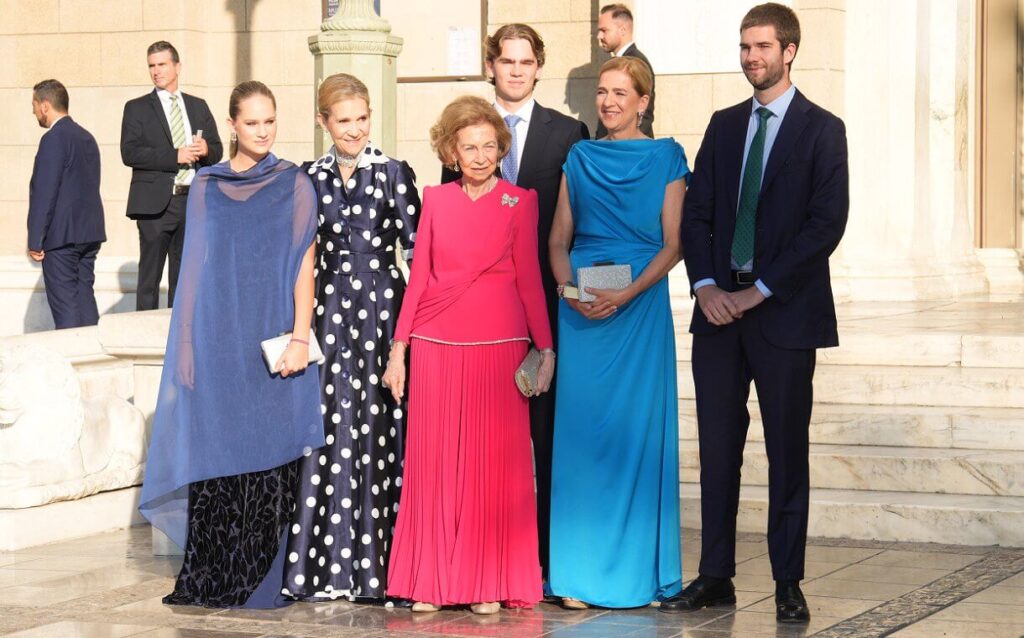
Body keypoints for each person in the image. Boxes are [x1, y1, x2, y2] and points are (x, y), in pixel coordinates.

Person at [664, 3, 849, 624]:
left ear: (789, 50)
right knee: (718, 449)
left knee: (785, 452)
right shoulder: (721, 125)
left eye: (762, 47)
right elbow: (697, 214)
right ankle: (715, 574)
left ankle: (788, 580)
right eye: (744, 47)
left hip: (785, 315)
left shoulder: (823, 130)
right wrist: (708, 286)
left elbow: (826, 226)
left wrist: (760, 290)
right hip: (718, 314)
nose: (751, 58)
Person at [138, 81, 323, 609]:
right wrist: (189, 346)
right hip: (218, 336)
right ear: (232, 125)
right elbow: (192, 268)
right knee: (217, 455)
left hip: (272, 337)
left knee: (267, 457)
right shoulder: (206, 185)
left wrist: (299, 335)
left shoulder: (295, 183)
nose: (263, 131)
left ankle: (259, 577)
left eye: (270, 121)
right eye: (252, 122)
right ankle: (212, 575)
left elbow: (303, 267)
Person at [383, 95, 556, 615]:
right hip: (435, 347)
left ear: (501, 149)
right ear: (451, 152)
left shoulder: (521, 201)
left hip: (500, 350)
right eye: (468, 147)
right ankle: (430, 581)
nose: (480, 156)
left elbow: (530, 279)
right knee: (433, 469)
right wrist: (399, 349)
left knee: (493, 471)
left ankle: (486, 581)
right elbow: (419, 281)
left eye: (488, 146)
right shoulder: (434, 199)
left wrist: (545, 348)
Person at [441, 23, 589, 579]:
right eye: (507, 61)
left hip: (545, 305)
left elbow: (580, 222)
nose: (517, 70)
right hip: (477, 314)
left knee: (546, 436)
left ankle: (546, 562)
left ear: (539, 67)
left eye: (526, 61)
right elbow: (453, 219)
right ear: (491, 66)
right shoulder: (463, 131)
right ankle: (483, 555)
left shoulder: (569, 132)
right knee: (482, 440)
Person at [546, 56, 688, 609]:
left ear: (643, 100)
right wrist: (568, 291)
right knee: (582, 442)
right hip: (583, 315)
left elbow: (674, 243)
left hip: (638, 311)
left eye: (621, 92)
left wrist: (627, 293)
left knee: (636, 438)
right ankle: (578, 575)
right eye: (602, 91)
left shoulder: (667, 156)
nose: (608, 101)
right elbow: (559, 239)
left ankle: (636, 573)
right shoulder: (578, 157)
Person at [283, 73, 420, 602]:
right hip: (326, 314)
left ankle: (383, 570)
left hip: (383, 314)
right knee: (328, 429)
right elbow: (295, 253)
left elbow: (420, 256)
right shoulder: (307, 177)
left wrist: (405, 339)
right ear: (324, 122)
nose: (355, 129)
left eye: (362, 118)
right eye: (344, 120)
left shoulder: (393, 172)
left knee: (379, 429)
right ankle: (321, 571)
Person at [121, 40, 222, 311]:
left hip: (192, 202)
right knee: (149, 278)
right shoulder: (137, 108)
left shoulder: (198, 106)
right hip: (155, 205)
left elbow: (218, 150)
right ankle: (142, 337)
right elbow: (129, 153)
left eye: (162, 64)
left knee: (184, 276)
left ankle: (178, 335)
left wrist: (206, 150)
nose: (156, 71)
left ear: (177, 66)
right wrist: (173, 156)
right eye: (152, 66)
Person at [27, 79, 106, 330]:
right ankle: (93, 361)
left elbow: (45, 192)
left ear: (45, 105)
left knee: (66, 307)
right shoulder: (87, 138)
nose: (33, 111)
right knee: (84, 297)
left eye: (34, 105)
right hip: (89, 233)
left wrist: (35, 239)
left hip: (61, 238)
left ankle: (74, 360)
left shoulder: (53, 139)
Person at [595, 4, 655, 139]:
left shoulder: (638, 63)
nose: (599, 36)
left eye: (604, 30)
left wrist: (626, 149)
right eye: (601, 92)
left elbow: (645, 116)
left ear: (623, 30)